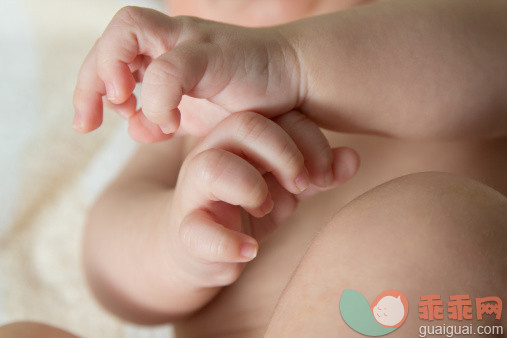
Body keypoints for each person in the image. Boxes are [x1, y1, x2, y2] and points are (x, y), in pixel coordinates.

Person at [71, 0, 506, 336]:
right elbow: (106, 263)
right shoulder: (183, 120)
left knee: (426, 225)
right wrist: (177, 244)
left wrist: (288, 61)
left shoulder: (450, 24)